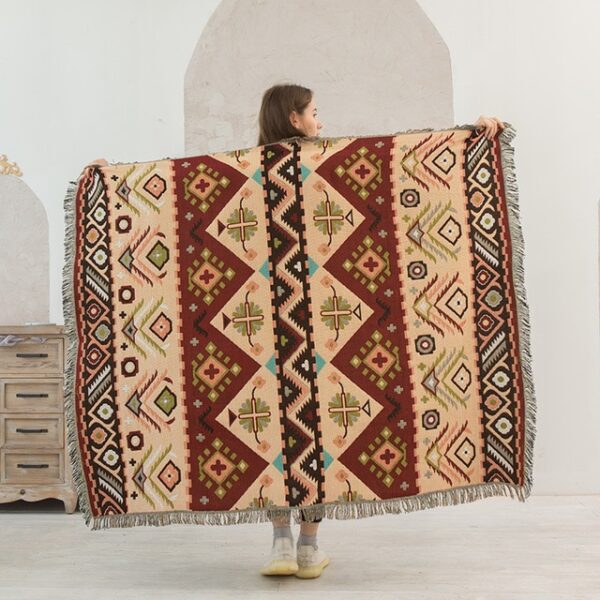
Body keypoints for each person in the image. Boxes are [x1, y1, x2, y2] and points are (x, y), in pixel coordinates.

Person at [85, 85, 503, 580]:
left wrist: (111, 184)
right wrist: (474, 140)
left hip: (258, 338)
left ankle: (281, 543)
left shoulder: (243, 173)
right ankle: (308, 548)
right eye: (315, 113)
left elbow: (176, 194)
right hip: (331, 331)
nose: (321, 123)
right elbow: (400, 170)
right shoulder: (331, 166)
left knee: (271, 434)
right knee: (320, 436)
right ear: (294, 118)